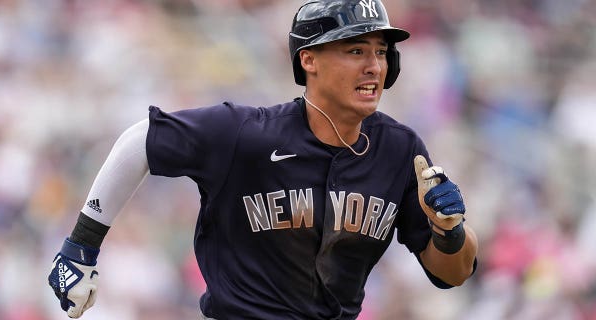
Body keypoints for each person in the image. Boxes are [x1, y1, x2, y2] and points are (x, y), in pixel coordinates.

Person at [47, 0, 478, 318]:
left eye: (382, 52)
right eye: (355, 51)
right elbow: (141, 140)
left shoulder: (401, 151)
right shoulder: (245, 134)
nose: (374, 66)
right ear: (308, 60)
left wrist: (449, 232)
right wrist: (82, 244)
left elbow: (453, 274)